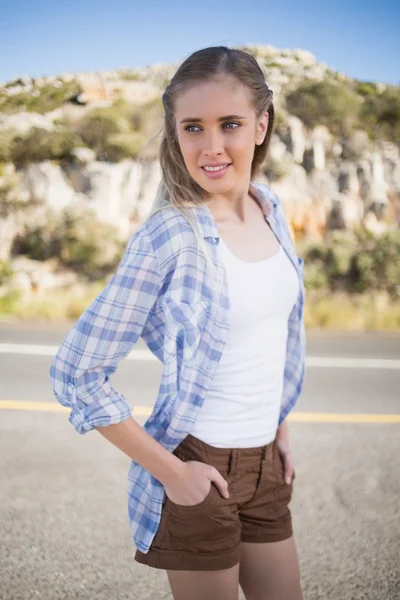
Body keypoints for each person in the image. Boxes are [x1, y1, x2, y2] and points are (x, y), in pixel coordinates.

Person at [50, 45, 306, 600]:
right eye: (193, 127)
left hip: (266, 468)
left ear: (261, 125)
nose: (211, 146)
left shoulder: (272, 208)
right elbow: (77, 373)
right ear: (175, 134)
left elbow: (273, 334)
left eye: (230, 124)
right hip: (198, 466)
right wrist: (172, 472)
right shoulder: (170, 237)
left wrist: (277, 423)